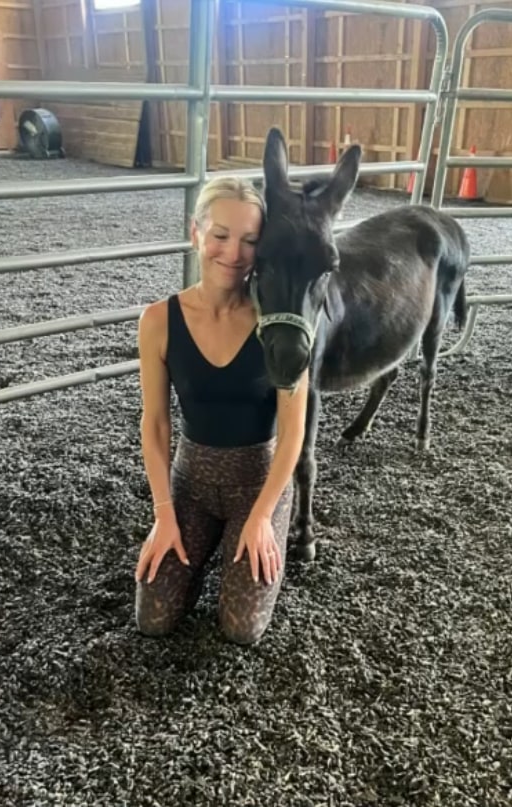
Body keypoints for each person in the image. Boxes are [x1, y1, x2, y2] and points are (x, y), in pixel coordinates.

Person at [133, 175, 308, 644]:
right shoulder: (157, 321)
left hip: (258, 481)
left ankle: (241, 540)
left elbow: (293, 432)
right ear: (197, 232)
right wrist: (163, 514)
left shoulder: (283, 325)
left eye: (250, 241)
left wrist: (263, 517)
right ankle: (206, 542)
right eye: (221, 236)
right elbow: (154, 423)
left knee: (241, 629)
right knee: (153, 619)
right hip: (189, 484)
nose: (233, 254)